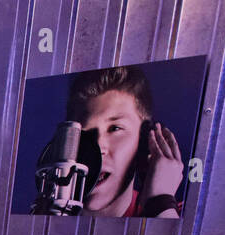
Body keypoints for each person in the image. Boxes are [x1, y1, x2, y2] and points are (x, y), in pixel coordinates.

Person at [66, 65, 183, 218]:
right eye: (83, 132)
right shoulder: (46, 216)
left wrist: (160, 204)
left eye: (114, 128)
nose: (97, 147)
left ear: (145, 143)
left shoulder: (179, 216)